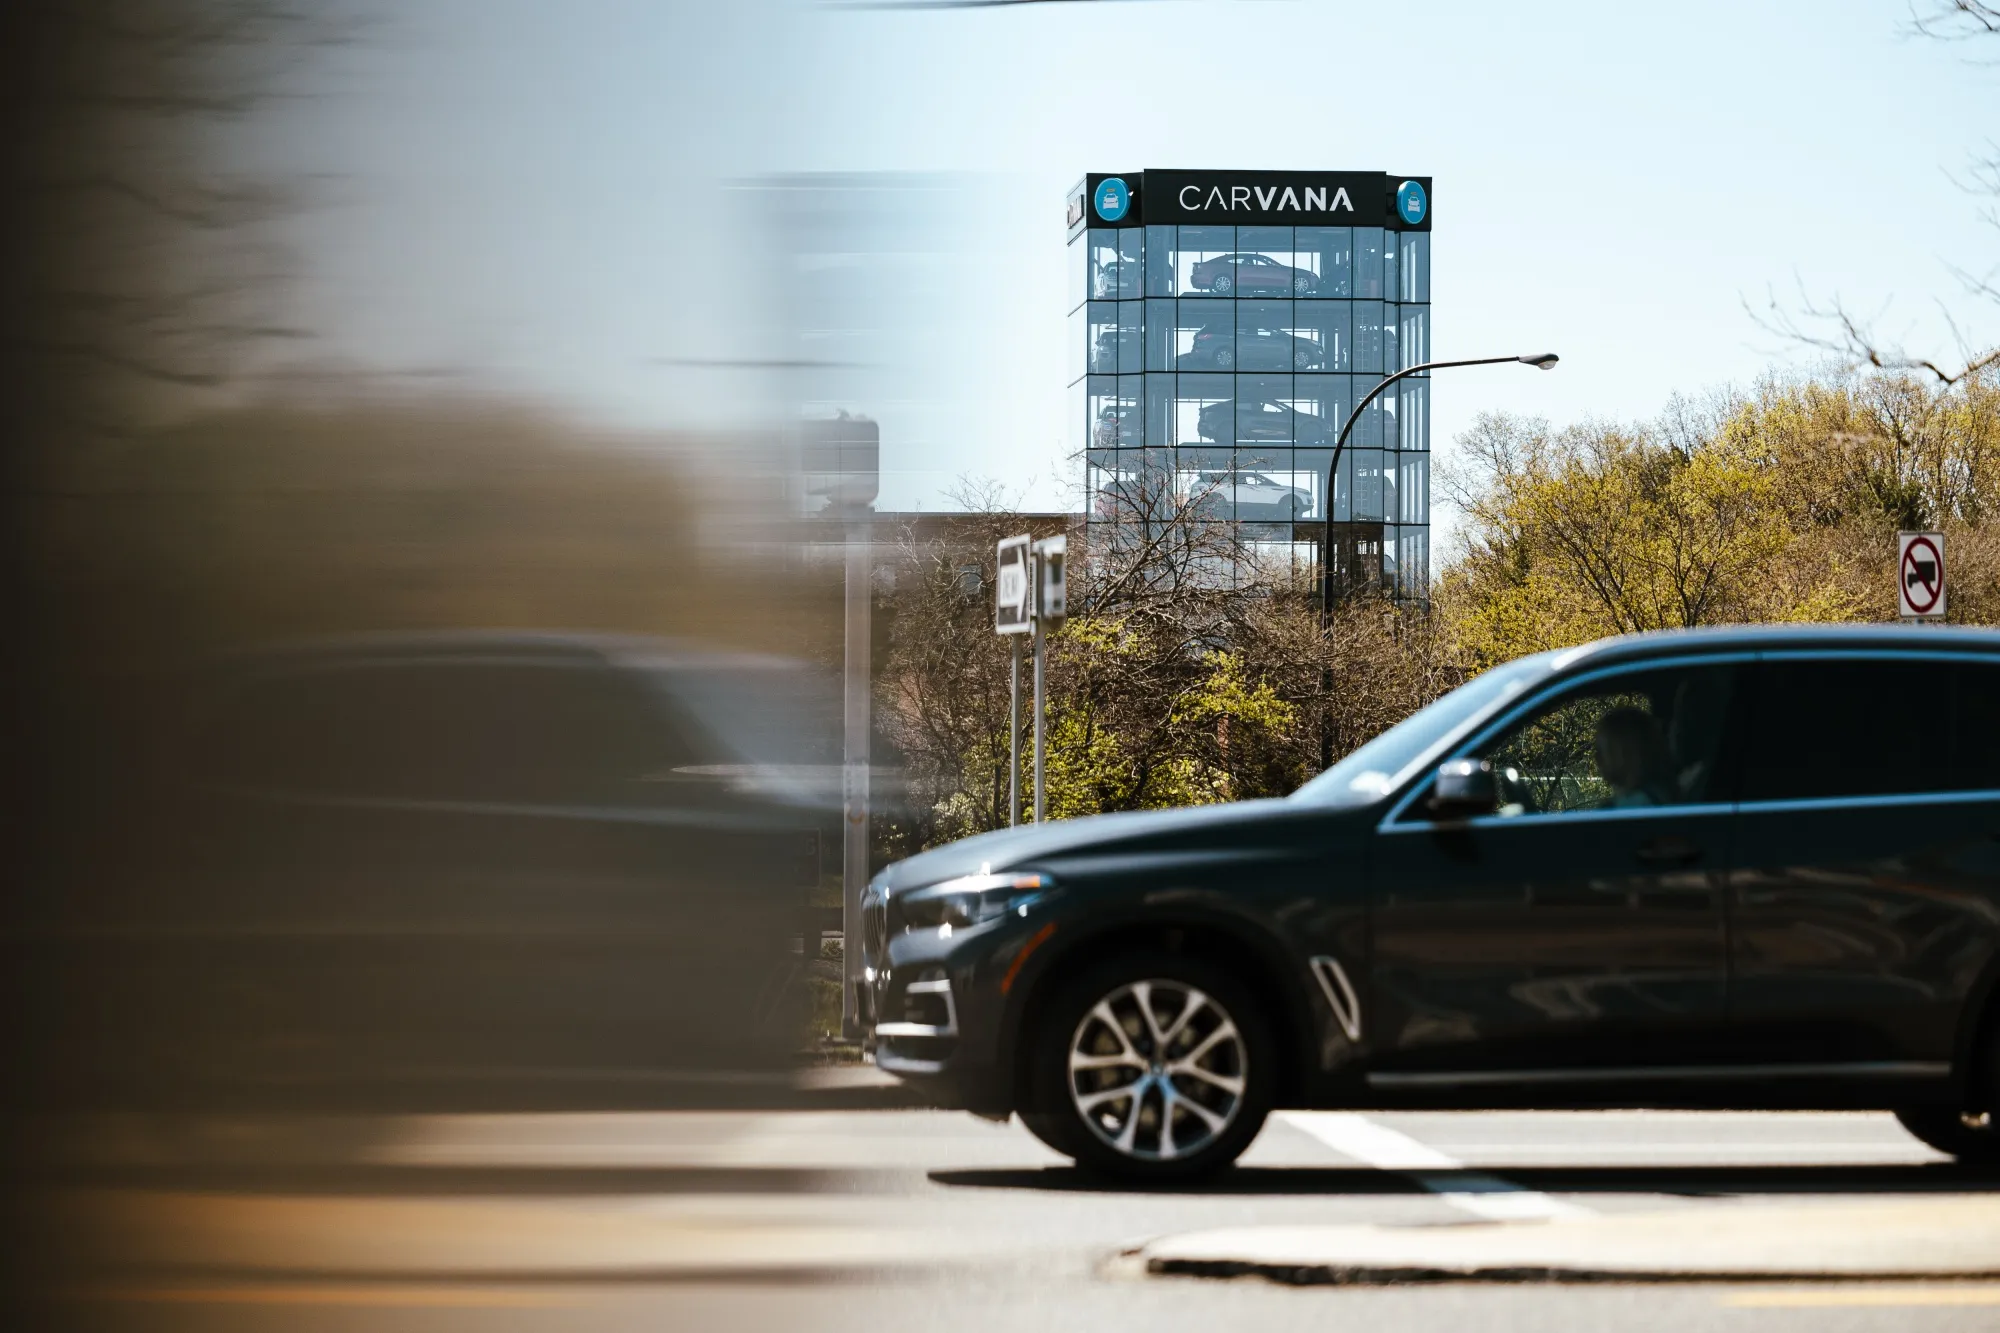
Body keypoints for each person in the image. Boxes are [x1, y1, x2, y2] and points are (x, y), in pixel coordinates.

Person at [1593, 705, 1672, 808]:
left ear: (1628, 752)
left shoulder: (1638, 804)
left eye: (1604, 750)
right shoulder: (1659, 795)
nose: (1597, 758)